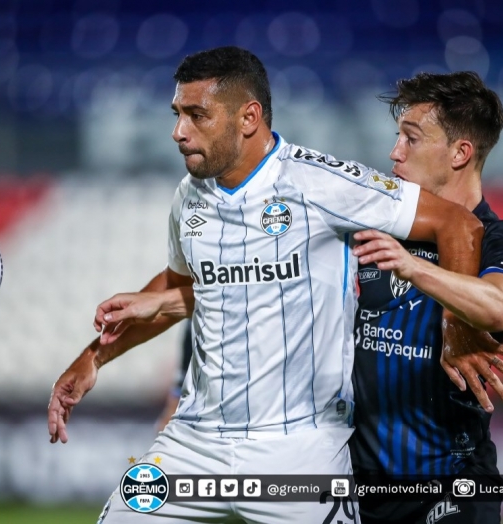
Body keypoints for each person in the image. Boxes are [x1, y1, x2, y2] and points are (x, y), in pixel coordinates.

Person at [48, 47, 484, 524]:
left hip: (301, 450)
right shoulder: (188, 199)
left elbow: (460, 226)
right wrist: (94, 358)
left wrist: (457, 332)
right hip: (194, 442)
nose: (178, 132)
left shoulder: (322, 184)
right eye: (177, 115)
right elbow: (178, 288)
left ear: (248, 117)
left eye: (197, 115)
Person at [349, 71, 503, 523]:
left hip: (453, 490)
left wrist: (415, 267)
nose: (394, 153)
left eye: (411, 139)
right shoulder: (377, 226)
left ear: (460, 153)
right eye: (398, 137)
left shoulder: (494, 239)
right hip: (361, 492)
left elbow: (497, 304)